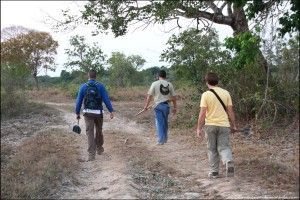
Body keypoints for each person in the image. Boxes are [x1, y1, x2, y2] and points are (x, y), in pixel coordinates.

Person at [196, 72, 237, 178]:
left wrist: (199, 128)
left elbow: (202, 113)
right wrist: (233, 125)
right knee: (224, 147)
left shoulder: (206, 95)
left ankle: (214, 172)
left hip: (210, 126)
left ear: (207, 82)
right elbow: (230, 111)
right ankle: (228, 161)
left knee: (212, 149)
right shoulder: (226, 93)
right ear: (217, 81)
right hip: (224, 125)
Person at [75, 69, 114, 161]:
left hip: (88, 113)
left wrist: (77, 112)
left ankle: (91, 155)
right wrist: (111, 111)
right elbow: (106, 99)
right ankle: (99, 149)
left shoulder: (83, 87)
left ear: (88, 76)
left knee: (90, 133)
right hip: (98, 113)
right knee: (99, 130)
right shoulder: (100, 86)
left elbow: (79, 101)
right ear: (96, 76)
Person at [143, 70, 177, 145]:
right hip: (166, 106)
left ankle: (161, 140)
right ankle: (164, 139)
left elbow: (149, 96)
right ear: (165, 76)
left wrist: (145, 106)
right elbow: (174, 97)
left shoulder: (154, 84)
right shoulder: (169, 84)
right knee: (165, 123)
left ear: (158, 76)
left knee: (160, 123)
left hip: (158, 106)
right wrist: (175, 107)